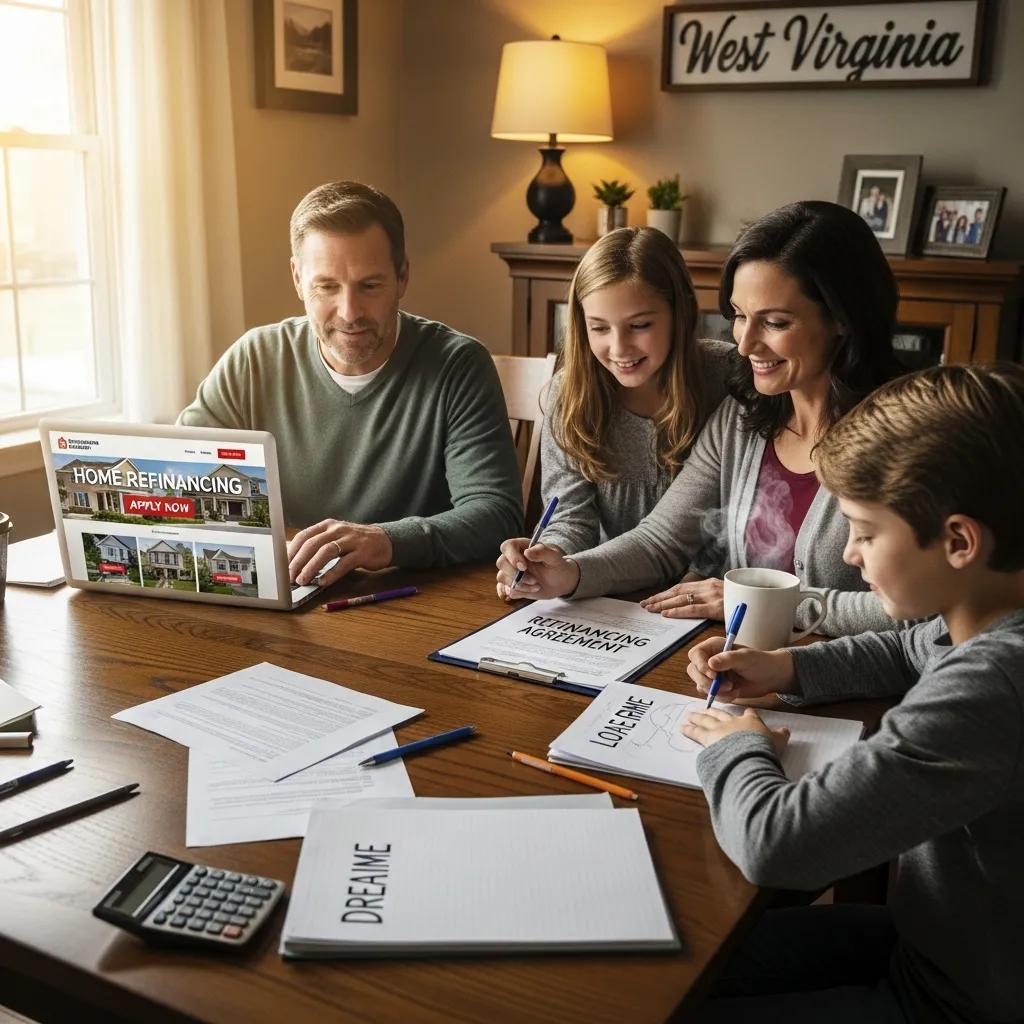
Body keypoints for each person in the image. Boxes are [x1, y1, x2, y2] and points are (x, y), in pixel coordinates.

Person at [682, 363, 1024, 1024]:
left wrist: (739, 748)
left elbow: (780, 844)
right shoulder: (986, 614)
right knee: (684, 964)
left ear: (958, 540)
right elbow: (907, 646)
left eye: (866, 533)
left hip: (958, 1002)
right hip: (934, 945)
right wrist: (787, 669)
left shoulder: (993, 686)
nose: (852, 557)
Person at [495, 201, 904, 636]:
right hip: (741, 667)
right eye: (740, 317)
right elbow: (661, 541)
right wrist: (568, 573)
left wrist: (771, 606)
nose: (744, 346)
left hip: (845, 682)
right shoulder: (742, 417)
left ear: (842, 318)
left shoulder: (904, 434)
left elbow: (929, 610)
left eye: (776, 322)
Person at [179, 181, 522, 585]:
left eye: (370, 286)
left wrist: (386, 540)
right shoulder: (254, 359)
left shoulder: (458, 365)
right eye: (326, 287)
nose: (349, 312)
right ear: (297, 278)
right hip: (292, 589)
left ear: (403, 276)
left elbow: (495, 513)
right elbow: (183, 480)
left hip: (406, 598)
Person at [497, 227, 736, 577]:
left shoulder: (726, 376)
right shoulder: (570, 397)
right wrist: (546, 557)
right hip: (607, 589)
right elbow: (570, 520)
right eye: (599, 328)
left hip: (713, 596)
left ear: (680, 312)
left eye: (639, 325)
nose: (619, 348)